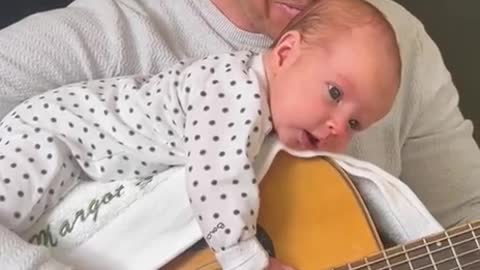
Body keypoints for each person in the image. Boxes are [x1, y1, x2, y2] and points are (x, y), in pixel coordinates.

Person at [0, 0, 479, 268]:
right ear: (286, 54)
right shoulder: (232, 88)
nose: (339, 126)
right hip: (48, 146)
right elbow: (218, 173)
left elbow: (465, 224)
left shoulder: (398, 44)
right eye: (333, 93)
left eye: (356, 125)